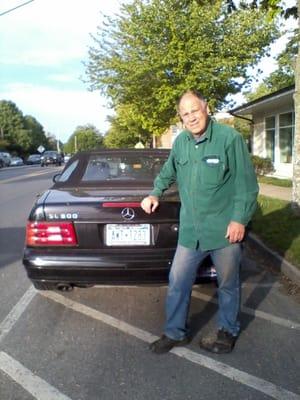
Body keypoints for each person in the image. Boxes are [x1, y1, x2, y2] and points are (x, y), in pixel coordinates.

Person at [141, 90, 258, 354]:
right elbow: (168, 171)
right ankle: (175, 333)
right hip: (191, 231)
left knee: (227, 284)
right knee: (178, 280)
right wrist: (154, 193)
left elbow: (246, 185)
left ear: (206, 108)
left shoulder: (229, 139)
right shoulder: (181, 142)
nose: (191, 117)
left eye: (195, 110)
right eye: (185, 114)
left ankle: (227, 331)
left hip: (223, 231)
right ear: (181, 118)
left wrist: (239, 219)